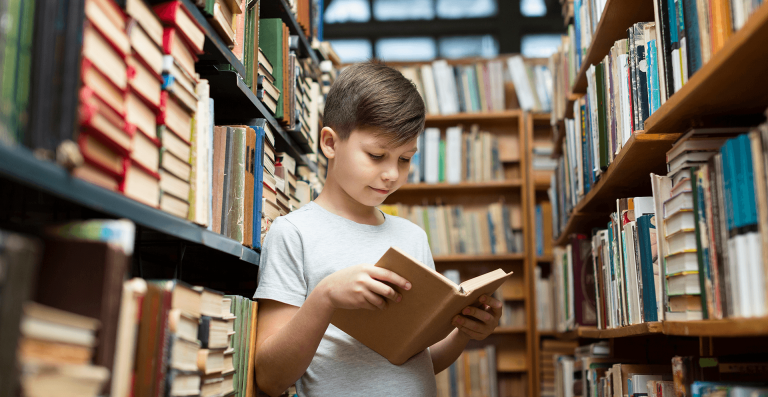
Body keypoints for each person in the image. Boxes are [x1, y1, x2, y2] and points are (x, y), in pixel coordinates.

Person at [253, 61, 504, 396]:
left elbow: (417, 360)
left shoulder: (412, 237)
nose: (391, 174)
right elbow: (270, 378)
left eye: (404, 159)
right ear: (330, 143)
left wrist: (464, 331)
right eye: (376, 155)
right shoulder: (293, 233)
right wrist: (325, 297)